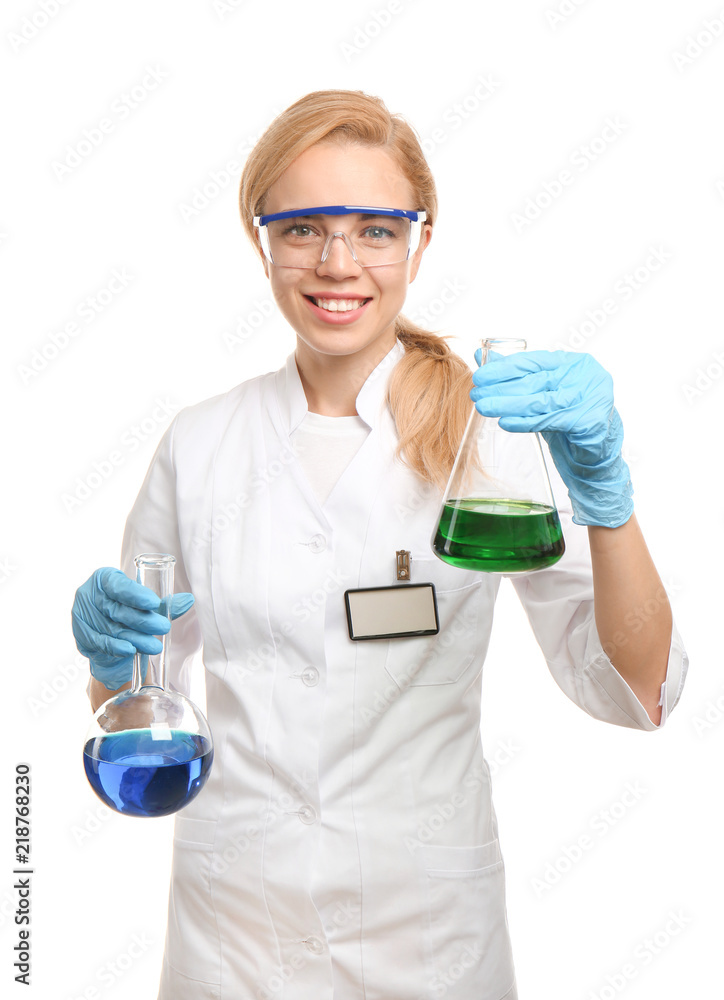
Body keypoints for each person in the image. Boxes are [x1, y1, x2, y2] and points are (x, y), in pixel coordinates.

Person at [71, 89, 688, 1000]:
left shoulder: (492, 434)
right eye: (304, 228)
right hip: (234, 936)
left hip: (429, 941)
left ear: (420, 242)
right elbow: (137, 696)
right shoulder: (199, 443)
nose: (337, 262)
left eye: (374, 229)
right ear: (262, 241)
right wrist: (110, 656)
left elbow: (639, 687)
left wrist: (609, 501)